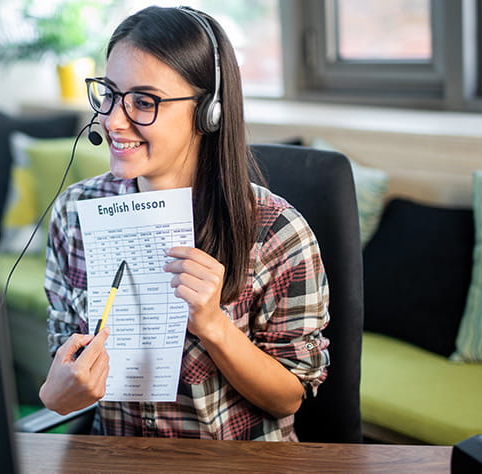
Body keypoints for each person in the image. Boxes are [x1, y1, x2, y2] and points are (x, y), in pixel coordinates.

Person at [39, 5, 330, 441]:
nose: (113, 121)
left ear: (207, 112)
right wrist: (57, 395)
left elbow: (288, 397)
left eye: (144, 101)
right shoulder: (74, 213)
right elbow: (63, 366)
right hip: (122, 460)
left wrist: (213, 325)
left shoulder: (276, 232)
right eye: (109, 93)